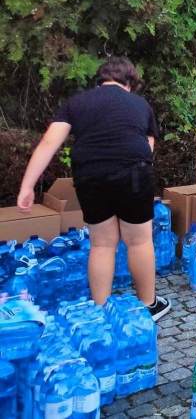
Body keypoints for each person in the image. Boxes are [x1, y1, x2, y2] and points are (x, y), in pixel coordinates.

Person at [17, 57, 170, 321]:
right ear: (130, 83)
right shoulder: (140, 104)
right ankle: (149, 305)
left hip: (89, 174)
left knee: (101, 244)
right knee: (139, 240)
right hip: (132, 172)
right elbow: (147, 149)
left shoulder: (77, 102)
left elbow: (48, 143)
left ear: (100, 80)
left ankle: (101, 309)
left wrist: (27, 186)